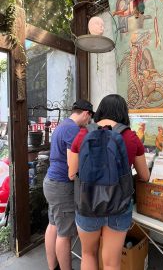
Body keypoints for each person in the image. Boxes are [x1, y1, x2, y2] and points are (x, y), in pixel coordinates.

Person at [68, 94, 150, 270]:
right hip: (118, 205)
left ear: (101, 110)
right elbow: (145, 176)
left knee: (88, 254)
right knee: (112, 263)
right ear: (123, 113)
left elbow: (71, 173)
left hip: (87, 203)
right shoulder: (131, 137)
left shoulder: (83, 134)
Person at [43, 99, 94, 270]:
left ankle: (53, 267)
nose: (88, 123)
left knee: (53, 225)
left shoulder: (63, 125)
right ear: (86, 113)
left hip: (51, 182)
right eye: (89, 118)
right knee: (64, 234)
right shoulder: (73, 130)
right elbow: (73, 167)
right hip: (62, 185)